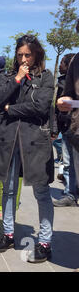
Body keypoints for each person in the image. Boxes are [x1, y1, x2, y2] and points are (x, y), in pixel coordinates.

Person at [0, 34, 55, 263]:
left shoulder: (45, 77)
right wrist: (16, 79)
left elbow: (41, 107)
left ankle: (45, 242)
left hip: (35, 142)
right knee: (8, 190)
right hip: (9, 141)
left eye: (27, 54)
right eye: (19, 55)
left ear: (36, 54)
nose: (23, 59)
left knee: (41, 192)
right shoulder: (9, 77)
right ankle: (8, 234)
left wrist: (12, 108)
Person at [56, 19, 79, 206]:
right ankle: (71, 194)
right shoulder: (76, 61)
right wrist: (65, 101)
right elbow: (69, 92)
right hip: (76, 130)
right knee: (71, 164)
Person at [52, 53, 77, 207]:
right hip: (69, 126)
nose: (60, 65)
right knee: (69, 163)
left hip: (73, 124)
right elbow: (58, 107)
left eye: (62, 62)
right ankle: (71, 193)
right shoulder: (63, 81)